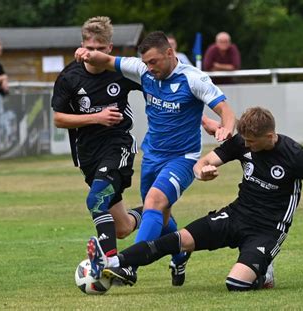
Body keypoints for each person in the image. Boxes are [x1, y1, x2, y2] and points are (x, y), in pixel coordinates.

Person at [104, 106, 303, 290]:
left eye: (252, 142)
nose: (247, 146)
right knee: (176, 240)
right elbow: (205, 161)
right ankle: (116, 264)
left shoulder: (295, 156)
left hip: (267, 229)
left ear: (269, 136)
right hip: (236, 215)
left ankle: (262, 272)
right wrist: (202, 172)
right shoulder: (243, 140)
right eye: (245, 142)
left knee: (235, 285)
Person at [75, 31, 236, 286]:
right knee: (159, 216)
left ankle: (128, 265)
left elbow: (225, 110)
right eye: (146, 63)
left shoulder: (193, 78)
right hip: (152, 156)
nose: (149, 68)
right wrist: (87, 54)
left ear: (169, 53)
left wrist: (225, 128)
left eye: (154, 62)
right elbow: (107, 60)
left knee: (154, 202)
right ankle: (181, 251)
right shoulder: (142, 70)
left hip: (183, 159)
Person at [51, 16, 144, 279]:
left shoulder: (121, 72)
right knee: (123, 226)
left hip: (118, 145)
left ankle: (113, 264)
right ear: (82, 46)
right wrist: (96, 117)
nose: (94, 54)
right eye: (89, 48)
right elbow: (59, 119)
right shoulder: (69, 77)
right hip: (88, 154)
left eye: (100, 49)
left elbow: (156, 84)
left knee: (96, 200)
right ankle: (156, 213)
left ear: (110, 49)